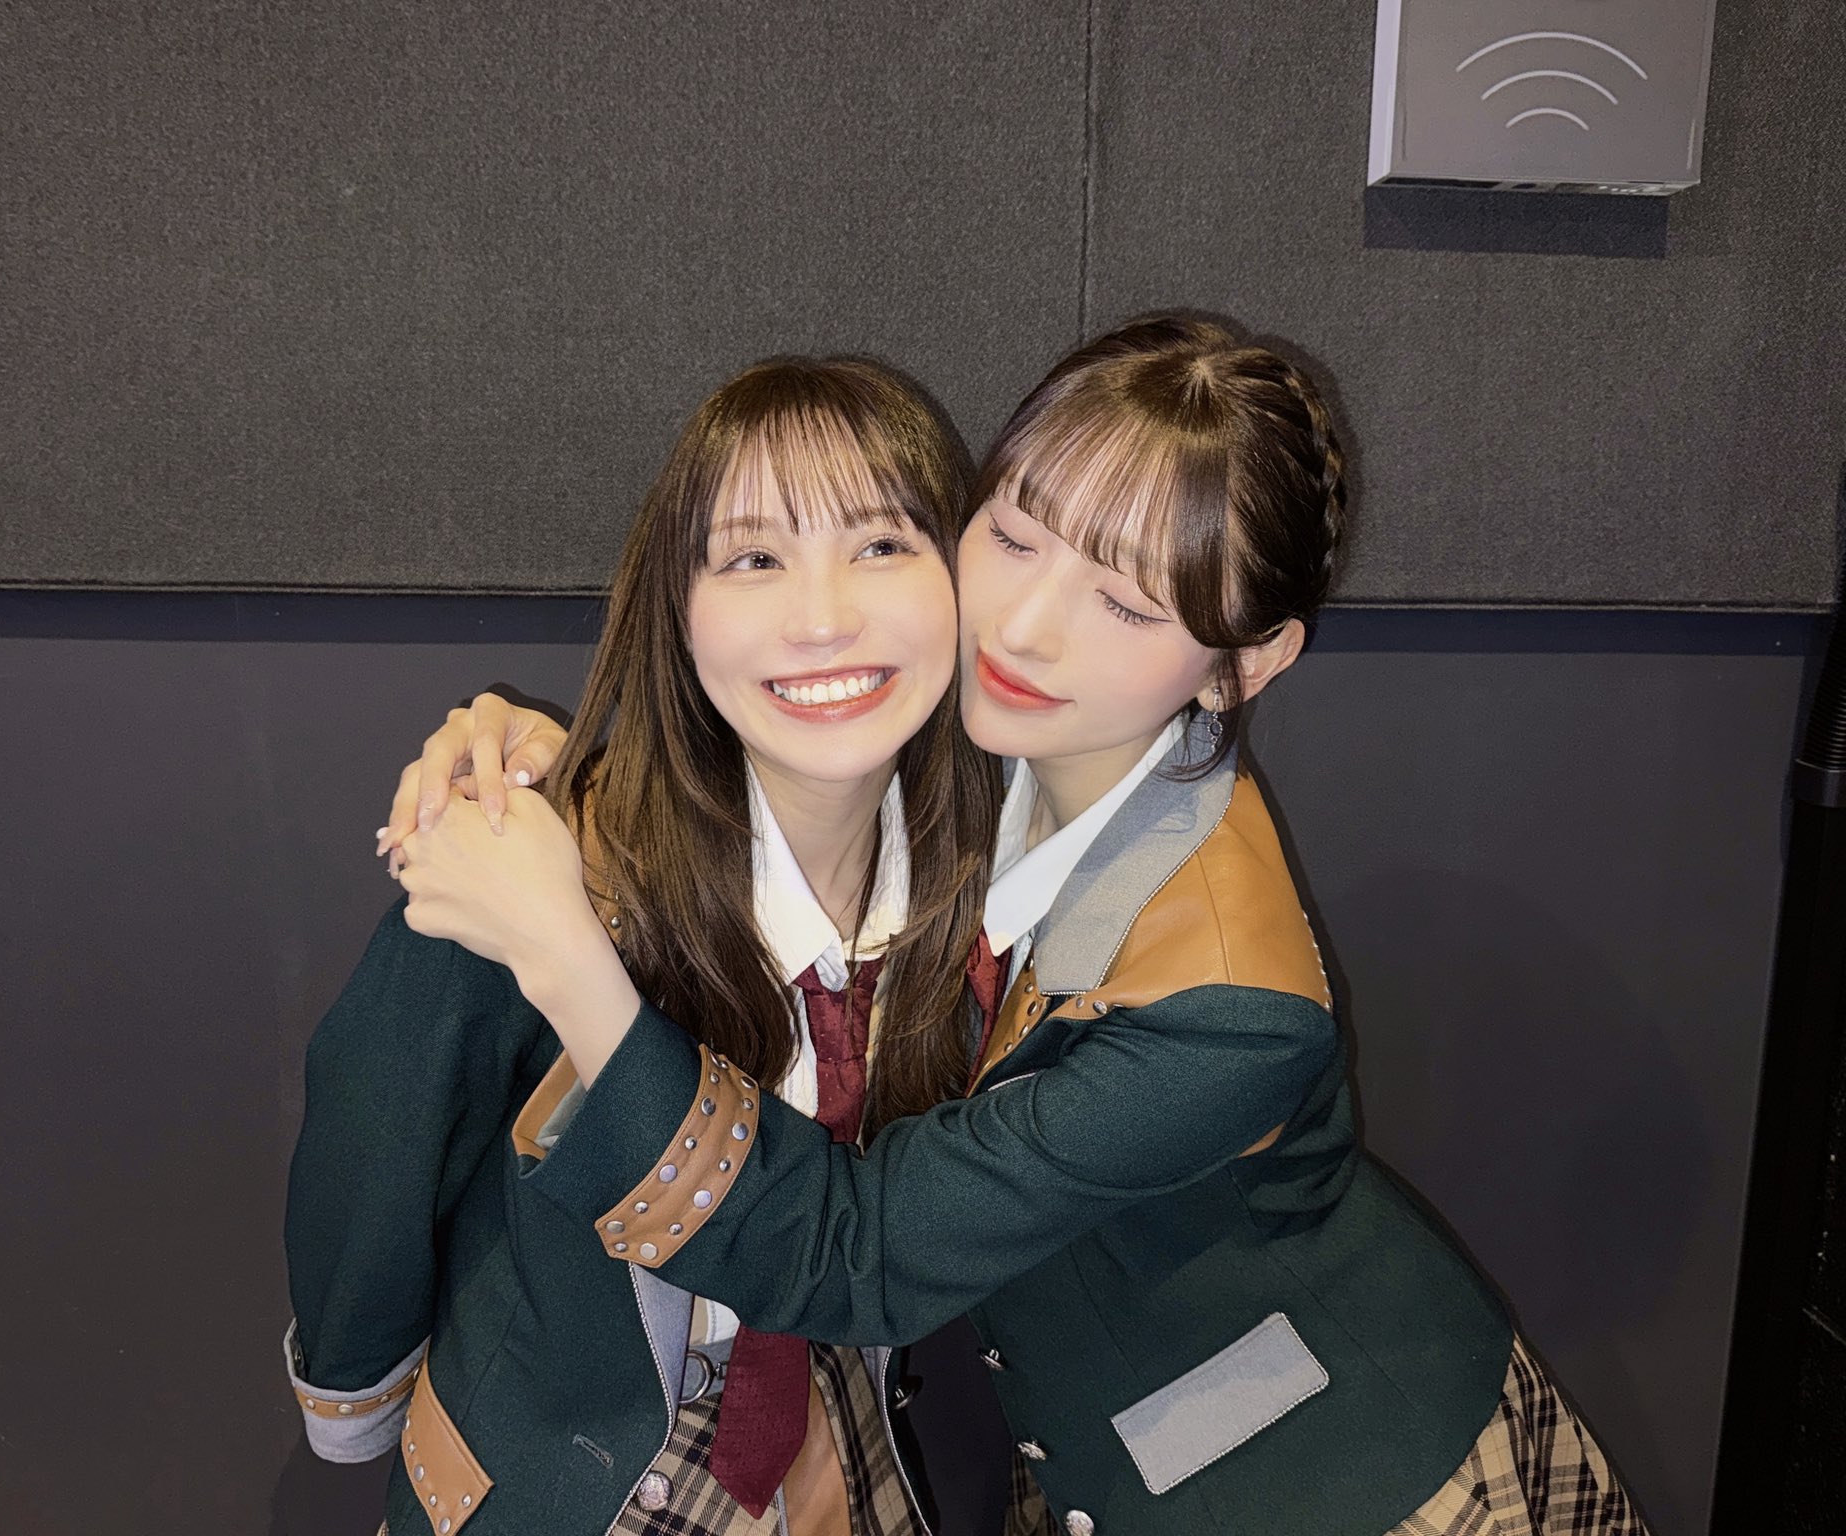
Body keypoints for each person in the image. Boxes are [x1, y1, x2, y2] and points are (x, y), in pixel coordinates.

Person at [390, 315, 1652, 1535]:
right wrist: (537, 758)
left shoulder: (1230, 1016)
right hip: (1086, 1452)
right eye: (1012, 535)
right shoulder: (999, 742)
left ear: (1245, 662)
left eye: (1126, 604)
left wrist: (564, 954)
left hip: (1327, 1481)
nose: (1026, 627)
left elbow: (859, 1257)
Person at [285, 355, 1001, 1536]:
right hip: (581, 1470)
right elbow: (375, 1141)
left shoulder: (996, 889)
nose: (823, 617)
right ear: (678, 604)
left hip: (868, 1441)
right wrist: (352, 1398)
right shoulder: (535, 862)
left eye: (880, 544)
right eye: (753, 558)